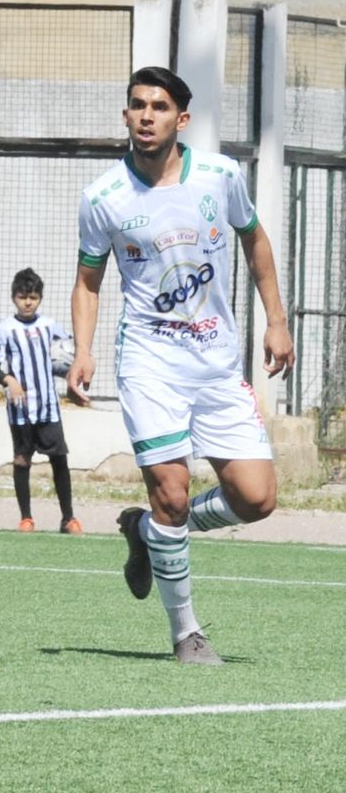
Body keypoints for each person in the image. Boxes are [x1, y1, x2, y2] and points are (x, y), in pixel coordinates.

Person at [68, 66, 294, 664]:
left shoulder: (221, 177)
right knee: (172, 491)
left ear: (181, 120)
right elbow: (88, 282)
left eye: (159, 107)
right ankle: (186, 633)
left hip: (217, 364)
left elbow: (255, 240)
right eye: (138, 106)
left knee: (256, 498)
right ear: (126, 117)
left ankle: (148, 532)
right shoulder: (103, 197)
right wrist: (83, 351)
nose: (147, 116)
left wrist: (276, 320)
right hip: (150, 364)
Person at [0, 267, 81, 533]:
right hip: (20, 409)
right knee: (21, 460)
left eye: (33, 297)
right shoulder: (5, 329)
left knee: (59, 460)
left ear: (40, 298)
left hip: (48, 407)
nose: (28, 302)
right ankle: (26, 518)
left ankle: (68, 518)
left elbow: (66, 355)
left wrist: (74, 376)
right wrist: (10, 381)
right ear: (14, 297)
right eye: (22, 296)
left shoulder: (50, 326)